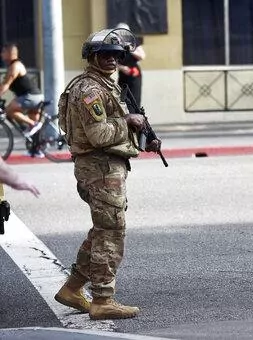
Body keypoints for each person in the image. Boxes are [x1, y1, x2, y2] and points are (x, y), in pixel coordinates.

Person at [53, 28, 161, 320]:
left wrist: (142, 132)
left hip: (106, 167)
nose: (112, 59)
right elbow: (99, 134)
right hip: (99, 168)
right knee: (111, 234)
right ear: (92, 56)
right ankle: (103, 300)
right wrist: (127, 120)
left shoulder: (104, 84)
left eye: (116, 54)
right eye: (105, 54)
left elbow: (113, 125)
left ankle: (73, 289)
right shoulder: (90, 89)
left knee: (104, 230)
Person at [0, 43, 45, 138]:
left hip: (30, 96)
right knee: (34, 134)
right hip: (34, 96)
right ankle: (36, 150)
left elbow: (6, 84)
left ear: (10, 53)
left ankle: (33, 124)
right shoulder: (13, 66)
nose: (1, 54)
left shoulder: (15, 66)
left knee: (9, 110)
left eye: (3, 52)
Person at [115, 23, 145, 107]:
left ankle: (136, 118)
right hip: (123, 74)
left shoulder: (133, 42)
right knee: (122, 100)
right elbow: (113, 61)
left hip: (134, 73)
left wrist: (130, 48)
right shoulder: (115, 44)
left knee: (135, 99)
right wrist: (122, 68)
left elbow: (142, 56)